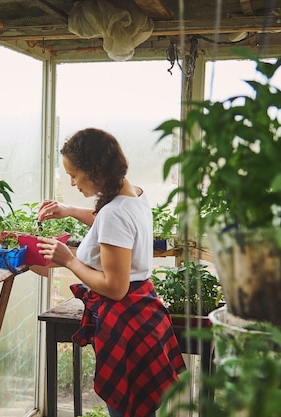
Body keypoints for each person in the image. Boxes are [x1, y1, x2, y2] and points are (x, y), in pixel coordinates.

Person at [36, 128, 185, 417]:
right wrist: (69, 210)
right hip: (144, 318)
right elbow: (111, 222)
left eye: (75, 175)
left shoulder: (114, 212)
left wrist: (68, 260)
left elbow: (115, 287)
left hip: (126, 325)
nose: (72, 182)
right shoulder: (134, 195)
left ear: (94, 172)